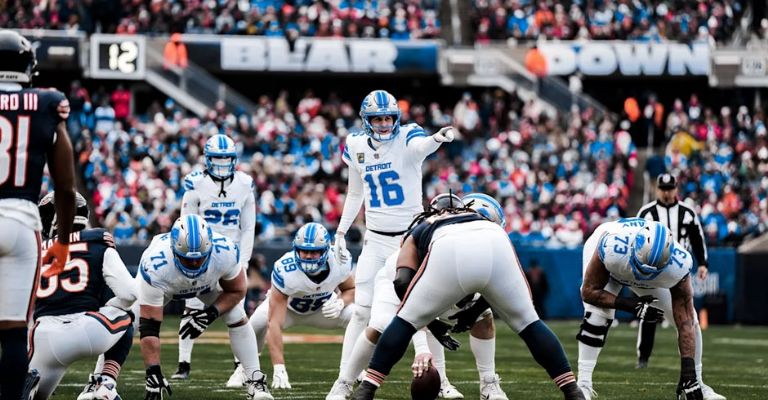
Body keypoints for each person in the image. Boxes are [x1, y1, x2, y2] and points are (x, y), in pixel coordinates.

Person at [351, 200, 585, 400]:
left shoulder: (423, 226)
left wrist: (430, 321)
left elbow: (402, 282)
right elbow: (496, 285)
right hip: (497, 241)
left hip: (447, 246)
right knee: (530, 323)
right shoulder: (487, 224)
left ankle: (367, 389)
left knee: (404, 321)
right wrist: (473, 313)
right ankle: (573, 391)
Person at [327, 89, 455, 398]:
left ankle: (442, 381)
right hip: (374, 240)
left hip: (408, 241)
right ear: (366, 120)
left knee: (426, 311)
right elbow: (355, 193)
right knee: (361, 312)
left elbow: (421, 146)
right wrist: (341, 232)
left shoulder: (408, 136)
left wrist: (436, 139)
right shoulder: (356, 144)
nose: (384, 124)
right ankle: (344, 380)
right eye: (378, 119)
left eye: (388, 118)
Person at [336, 193, 511, 400]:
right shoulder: (432, 239)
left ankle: (488, 384)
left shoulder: (480, 248)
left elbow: (497, 288)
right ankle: (345, 383)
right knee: (380, 326)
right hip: (397, 282)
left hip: (434, 286)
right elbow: (408, 293)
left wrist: (473, 312)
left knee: (484, 316)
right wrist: (422, 348)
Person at [0, 29, 76, 400]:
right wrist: (61, 241)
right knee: (15, 331)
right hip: (20, 220)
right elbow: (65, 186)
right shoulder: (46, 102)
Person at [576, 218, 723, 400]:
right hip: (616, 265)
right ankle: (583, 385)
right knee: (597, 314)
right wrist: (632, 305)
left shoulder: (679, 263)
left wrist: (688, 372)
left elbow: (685, 320)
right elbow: (589, 292)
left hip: (648, 273)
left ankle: (697, 383)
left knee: (690, 318)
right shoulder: (611, 245)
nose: (641, 274)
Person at [137, 215, 272, 400]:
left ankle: (256, 381)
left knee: (237, 315)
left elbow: (238, 291)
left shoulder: (225, 251)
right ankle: (105, 379)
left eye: (199, 258)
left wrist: (210, 314)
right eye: (187, 259)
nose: (194, 264)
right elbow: (150, 327)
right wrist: (152, 371)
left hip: (206, 284)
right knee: (129, 320)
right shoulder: (156, 264)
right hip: (168, 286)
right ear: (174, 250)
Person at [30, 192, 136, 400]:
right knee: (125, 315)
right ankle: (105, 383)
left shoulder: (34, 251)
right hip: (88, 331)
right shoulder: (98, 241)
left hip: (43, 337)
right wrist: (105, 306)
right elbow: (130, 293)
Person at [227, 222, 355, 390]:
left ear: (325, 251)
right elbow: (274, 323)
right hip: (289, 310)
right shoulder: (286, 269)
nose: (308, 256)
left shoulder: (339, 261)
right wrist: (279, 367)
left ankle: (354, 368)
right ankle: (243, 369)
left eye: (314, 251)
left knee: (358, 315)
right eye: (304, 250)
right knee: (256, 322)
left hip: (323, 310)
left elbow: (350, 289)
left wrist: (341, 302)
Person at [172, 134, 257, 382]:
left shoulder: (244, 184)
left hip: (231, 257)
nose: (221, 164)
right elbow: (186, 223)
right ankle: (183, 364)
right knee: (192, 306)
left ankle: (240, 365)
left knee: (236, 311)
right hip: (202, 255)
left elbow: (248, 228)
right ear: (207, 159)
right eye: (217, 159)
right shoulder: (196, 184)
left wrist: (244, 261)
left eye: (226, 159)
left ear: (234, 159)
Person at [634, 173, 714, 375]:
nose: (667, 193)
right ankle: (643, 357)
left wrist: (703, 263)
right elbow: (636, 239)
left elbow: (697, 238)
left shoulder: (687, 212)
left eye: (670, 189)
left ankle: (691, 362)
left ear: (676, 189)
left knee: (686, 315)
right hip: (653, 272)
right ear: (657, 189)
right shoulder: (646, 212)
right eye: (663, 189)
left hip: (679, 271)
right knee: (650, 312)